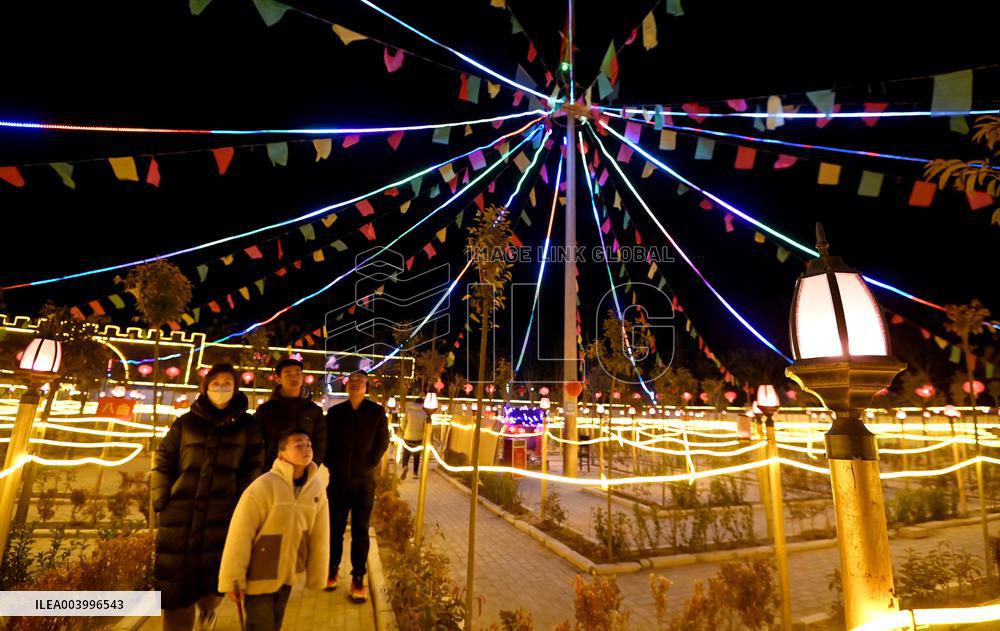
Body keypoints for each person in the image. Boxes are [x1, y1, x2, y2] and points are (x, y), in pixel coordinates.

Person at [152, 363, 265, 631]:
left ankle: (208, 611)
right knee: (175, 587)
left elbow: (254, 466)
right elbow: (164, 460)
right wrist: (161, 500)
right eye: (216, 383)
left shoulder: (248, 425)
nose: (221, 388)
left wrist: (241, 503)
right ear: (205, 387)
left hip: (223, 514)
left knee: (213, 575)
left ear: (236, 387)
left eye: (228, 382)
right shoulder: (186, 422)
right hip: (181, 512)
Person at [218, 429, 330, 631]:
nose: (306, 449)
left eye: (308, 445)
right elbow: (240, 534)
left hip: (288, 574)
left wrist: (317, 574)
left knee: (275, 624)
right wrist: (233, 579)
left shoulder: (316, 488)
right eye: (298, 445)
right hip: (258, 574)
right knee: (261, 626)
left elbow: (320, 534)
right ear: (281, 454)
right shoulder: (264, 486)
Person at [324, 370, 389, 601]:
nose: (354, 384)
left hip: (364, 483)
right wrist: (332, 465)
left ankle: (358, 576)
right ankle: (331, 569)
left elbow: (383, 441)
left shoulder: (376, 412)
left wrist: (369, 464)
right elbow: (324, 442)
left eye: (359, 381)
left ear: (367, 385)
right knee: (334, 529)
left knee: (361, 531)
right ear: (346, 385)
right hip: (338, 481)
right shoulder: (334, 413)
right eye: (351, 381)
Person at [255, 358, 327, 467]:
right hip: (272, 470)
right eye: (288, 374)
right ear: (278, 379)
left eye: (298, 373)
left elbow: (320, 442)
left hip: (304, 471)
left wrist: (310, 466)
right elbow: (257, 442)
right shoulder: (266, 410)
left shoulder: (313, 410)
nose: (294, 377)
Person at [398, 400, 427, 480]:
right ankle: (415, 473)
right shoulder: (424, 413)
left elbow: (403, 422)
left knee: (406, 454)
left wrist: (403, 430)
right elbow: (425, 426)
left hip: (408, 436)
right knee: (416, 456)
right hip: (418, 436)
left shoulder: (408, 410)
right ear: (422, 404)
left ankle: (405, 467)